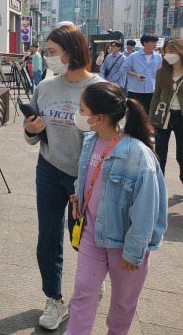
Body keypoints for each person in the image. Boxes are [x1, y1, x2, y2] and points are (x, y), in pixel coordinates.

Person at [67, 82, 167, 335]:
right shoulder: (90, 141)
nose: (77, 114)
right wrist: (80, 196)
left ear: (98, 118)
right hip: (91, 235)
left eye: (81, 109)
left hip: (125, 244)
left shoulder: (138, 155)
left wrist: (135, 251)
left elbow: (147, 209)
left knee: (123, 303)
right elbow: (89, 175)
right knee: (82, 294)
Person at [23, 24, 103, 330]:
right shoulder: (44, 87)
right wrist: (31, 131)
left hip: (85, 177)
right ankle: (54, 300)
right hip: (48, 170)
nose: (47, 56)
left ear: (71, 52)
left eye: (53, 52)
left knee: (81, 239)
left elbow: (110, 138)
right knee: (48, 239)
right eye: (46, 51)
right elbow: (34, 134)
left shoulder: (99, 89)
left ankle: (92, 282)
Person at [150, 37, 183, 183]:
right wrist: (151, 120)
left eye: (171, 51)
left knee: (181, 156)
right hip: (163, 116)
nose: (167, 54)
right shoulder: (161, 72)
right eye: (165, 51)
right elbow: (156, 95)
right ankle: (159, 186)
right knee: (160, 154)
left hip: (181, 117)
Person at [121, 34, 162, 114]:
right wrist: (136, 75)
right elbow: (125, 69)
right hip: (135, 90)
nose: (155, 44)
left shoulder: (158, 56)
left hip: (151, 90)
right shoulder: (133, 56)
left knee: (149, 114)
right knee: (134, 114)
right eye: (153, 42)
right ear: (145, 43)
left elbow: (159, 72)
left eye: (156, 42)